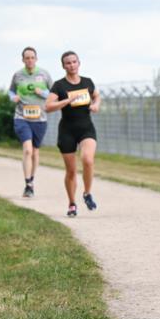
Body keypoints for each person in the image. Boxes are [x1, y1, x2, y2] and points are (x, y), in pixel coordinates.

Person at [46, 51, 100, 217]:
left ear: (79, 63)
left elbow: (97, 96)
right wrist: (66, 101)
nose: (71, 65)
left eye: (74, 62)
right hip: (67, 130)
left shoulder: (87, 82)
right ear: (63, 66)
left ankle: (87, 193)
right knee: (71, 171)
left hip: (86, 128)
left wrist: (96, 104)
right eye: (68, 63)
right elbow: (48, 107)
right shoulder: (59, 85)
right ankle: (72, 203)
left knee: (88, 159)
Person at [9, 46, 54, 198]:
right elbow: (11, 91)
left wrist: (43, 93)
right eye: (27, 58)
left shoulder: (44, 74)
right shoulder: (17, 75)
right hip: (21, 116)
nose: (29, 60)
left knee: (35, 152)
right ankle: (28, 184)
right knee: (27, 150)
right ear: (23, 60)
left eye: (32, 57)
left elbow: (54, 94)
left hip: (40, 118)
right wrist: (12, 97)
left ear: (36, 59)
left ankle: (31, 180)